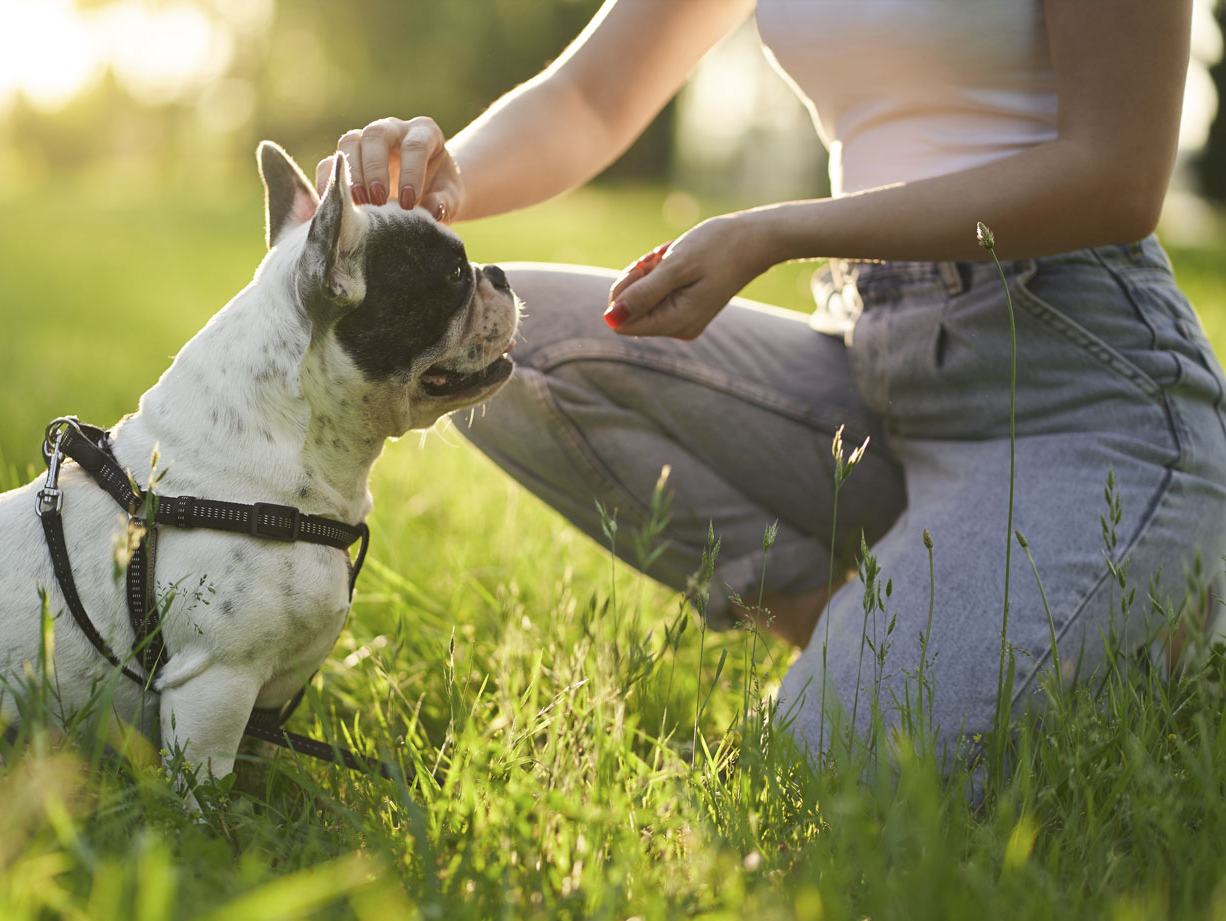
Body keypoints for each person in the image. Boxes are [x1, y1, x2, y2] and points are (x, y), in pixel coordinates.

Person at [319, 0, 1226, 768]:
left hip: (1080, 390)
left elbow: (1116, 173)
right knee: (507, 353)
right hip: (876, 356)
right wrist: (432, 187)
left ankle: (1158, 611)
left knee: (829, 775)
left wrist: (779, 231)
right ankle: (854, 626)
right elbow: (590, 101)